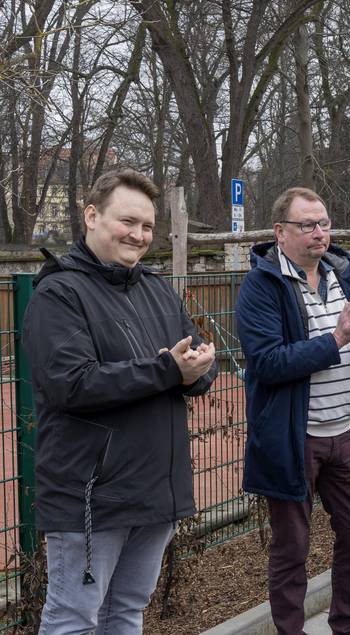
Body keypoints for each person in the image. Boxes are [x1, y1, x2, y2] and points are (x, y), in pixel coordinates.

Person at [23, 168, 218, 633]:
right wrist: (168, 370)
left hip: (156, 489)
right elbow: (72, 384)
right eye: (127, 221)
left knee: (127, 611)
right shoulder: (59, 293)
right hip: (90, 497)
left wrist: (195, 374)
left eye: (148, 226)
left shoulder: (156, 289)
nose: (139, 234)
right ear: (91, 216)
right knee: (73, 619)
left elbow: (185, 367)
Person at [235, 187, 350, 635]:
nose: (319, 234)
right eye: (307, 225)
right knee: (292, 548)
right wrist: (336, 340)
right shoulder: (261, 286)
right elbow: (267, 363)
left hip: (345, 432)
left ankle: (348, 623)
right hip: (294, 437)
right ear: (280, 232)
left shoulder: (344, 277)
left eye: (324, 223)